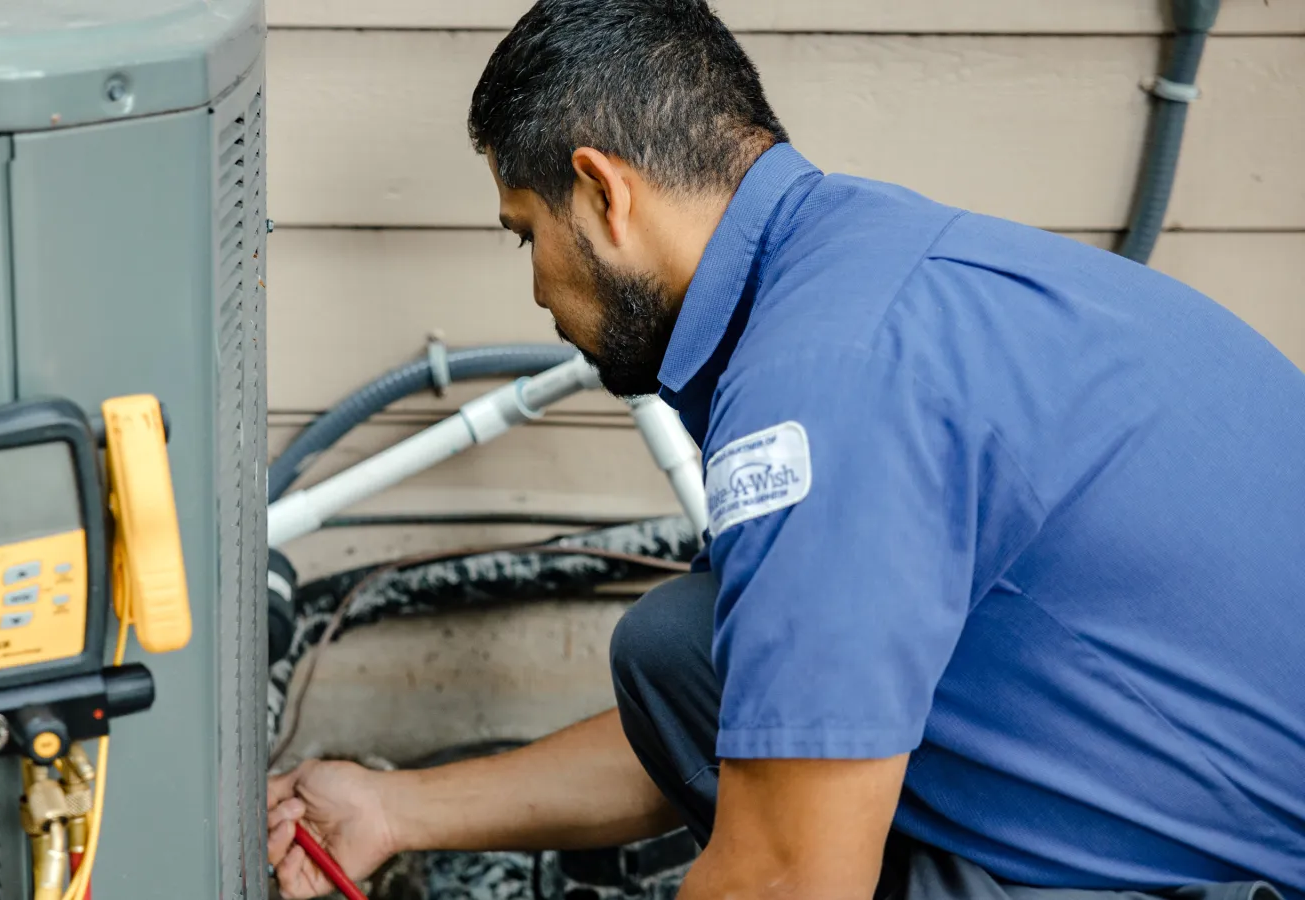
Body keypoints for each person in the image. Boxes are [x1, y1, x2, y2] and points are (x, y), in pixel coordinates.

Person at [267, 2, 1305, 898]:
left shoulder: (825, 379)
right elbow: (767, 710)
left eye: (524, 230)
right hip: (1171, 785)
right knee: (684, 648)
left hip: (1244, 871)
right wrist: (396, 809)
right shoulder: (858, 270)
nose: (536, 285)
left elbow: (786, 880)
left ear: (603, 193)